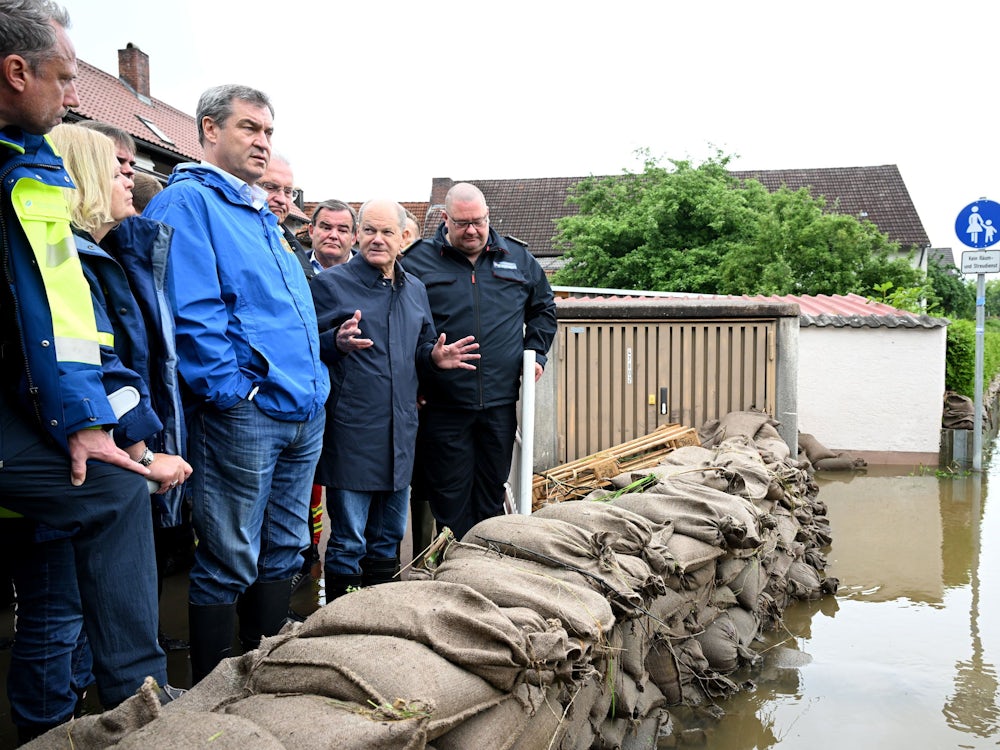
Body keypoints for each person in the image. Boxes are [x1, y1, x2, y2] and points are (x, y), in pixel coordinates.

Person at [0, 0, 169, 717]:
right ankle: (139, 696)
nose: (75, 98)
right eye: (65, 79)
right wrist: (94, 427)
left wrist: (98, 421)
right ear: (16, 71)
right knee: (112, 492)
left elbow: (73, 331)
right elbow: (60, 321)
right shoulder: (30, 179)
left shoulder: (27, 168)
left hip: (36, 410)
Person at [143, 84, 329, 683]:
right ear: (208, 130)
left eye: (268, 132)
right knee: (228, 554)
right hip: (247, 413)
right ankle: (211, 697)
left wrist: (314, 384)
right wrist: (235, 394)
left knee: (284, 544)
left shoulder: (257, 212)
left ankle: (266, 673)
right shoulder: (188, 204)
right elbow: (191, 316)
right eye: (249, 128)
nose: (261, 141)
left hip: (302, 408)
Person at [310, 200, 478, 599]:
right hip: (352, 430)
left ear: (404, 238)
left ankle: (382, 621)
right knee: (349, 540)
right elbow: (303, 348)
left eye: (387, 232)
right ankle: (341, 623)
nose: (377, 239)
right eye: (369, 230)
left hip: (400, 432)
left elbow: (420, 345)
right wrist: (334, 341)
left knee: (388, 539)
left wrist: (434, 357)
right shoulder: (330, 286)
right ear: (357, 236)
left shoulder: (415, 289)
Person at [75, 118, 190, 652]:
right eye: (118, 167)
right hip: (93, 457)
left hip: (113, 447)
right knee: (66, 609)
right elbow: (101, 361)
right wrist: (144, 453)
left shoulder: (113, 252)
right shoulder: (74, 259)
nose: (130, 177)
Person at [402, 182, 557, 541]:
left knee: (491, 489)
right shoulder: (416, 261)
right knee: (449, 494)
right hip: (444, 405)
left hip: (499, 404)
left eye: (478, 221)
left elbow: (544, 310)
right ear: (445, 219)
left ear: (489, 217)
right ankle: (451, 565)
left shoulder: (517, 257)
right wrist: (424, 365)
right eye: (462, 223)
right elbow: (400, 328)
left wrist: (537, 354)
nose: (471, 230)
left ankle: (487, 562)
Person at [302, 199, 357, 276]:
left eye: (342, 230)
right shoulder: (292, 266)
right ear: (311, 231)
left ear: (354, 237)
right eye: (326, 228)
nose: (333, 235)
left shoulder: (371, 272)